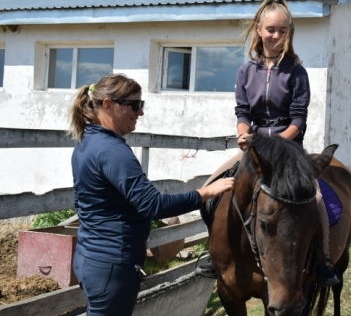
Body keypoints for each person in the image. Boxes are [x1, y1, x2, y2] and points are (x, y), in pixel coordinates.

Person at [195, 0, 339, 287]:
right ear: (259, 29)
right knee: (215, 184)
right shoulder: (246, 71)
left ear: (289, 33)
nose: (276, 35)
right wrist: (243, 133)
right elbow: (243, 111)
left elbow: (298, 120)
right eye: (271, 29)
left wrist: (276, 144)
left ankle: (322, 258)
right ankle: (217, 252)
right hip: (254, 147)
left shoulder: (297, 72)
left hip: (288, 148)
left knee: (319, 199)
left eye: (282, 30)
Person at [69, 73, 234, 316]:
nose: (140, 112)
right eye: (134, 105)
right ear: (108, 105)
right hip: (112, 264)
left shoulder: (87, 142)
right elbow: (154, 205)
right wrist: (205, 192)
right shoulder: (112, 151)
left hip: (91, 257)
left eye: (141, 104)